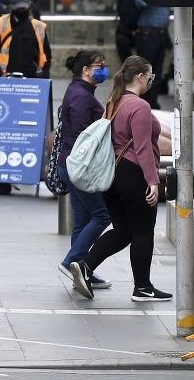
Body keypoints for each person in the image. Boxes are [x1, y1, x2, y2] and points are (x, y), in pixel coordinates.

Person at [70, 55, 172, 302]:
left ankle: (85, 266)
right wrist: (153, 181)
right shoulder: (140, 106)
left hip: (112, 175)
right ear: (140, 77)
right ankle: (143, 287)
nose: (150, 81)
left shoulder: (114, 101)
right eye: (150, 76)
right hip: (132, 174)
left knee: (124, 231)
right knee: (143, 231)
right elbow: (143, 148)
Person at [56, 50, 112, 290]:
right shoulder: (80, 95)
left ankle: (83, 270)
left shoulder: (81, 91)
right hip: (78, 165)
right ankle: (73, 262)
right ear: (86, 70)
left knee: (82, 220)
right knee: (102, 215)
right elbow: (83, 136)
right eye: (99, 66)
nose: (104, 69)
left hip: (69, 164)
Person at [0, 0, 52, 78]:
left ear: (29, 5)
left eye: (23, 8)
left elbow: (47, 57)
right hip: (7, 81)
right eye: (18, 8)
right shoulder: (2, 23)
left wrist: (43, 79)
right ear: (12, 6)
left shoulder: (38, 27)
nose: (21, 11)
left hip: (32, 80)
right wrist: (0, 75)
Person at [131, 0, 170, 109]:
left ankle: (152, 103)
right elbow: (139, 2)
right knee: (145, 71)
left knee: (156, 72)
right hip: (148, 35)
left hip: (161, 34)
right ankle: (143, 103)